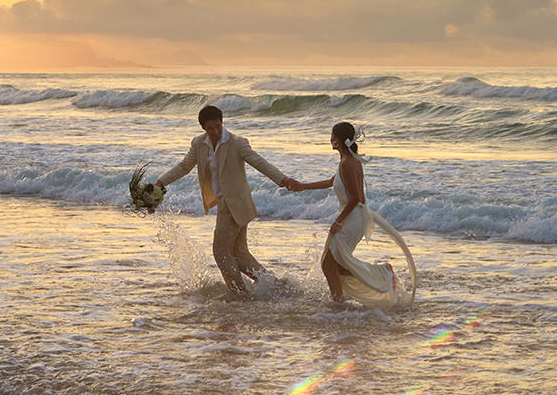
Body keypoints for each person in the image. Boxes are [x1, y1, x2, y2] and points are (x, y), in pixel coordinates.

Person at [157, 105, 302, 296]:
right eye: (211, 128)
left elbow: (259, 162)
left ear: (222, 122)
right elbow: (184, 166)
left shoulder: (237, 143)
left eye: (218, 126)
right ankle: (274, 285)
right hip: (224, 203)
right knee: (239, 254)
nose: (216, 131)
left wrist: (283, 180)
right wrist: (159, 183)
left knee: (220, 250)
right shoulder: (199, 144)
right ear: (204, 129)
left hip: (236, 203)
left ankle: (238, 292)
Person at [289, 121, 404, 306]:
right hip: (353, 217)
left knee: (328, 263)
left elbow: (356, 198)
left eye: (333, 135)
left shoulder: (348, 163)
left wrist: (338, 221)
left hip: (353, 219)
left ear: (339, 140)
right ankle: (380, 276)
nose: (330, 139)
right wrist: (302, 187)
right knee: (338, 265)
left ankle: (340, 301)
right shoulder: (346, 160)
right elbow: (330, 181)